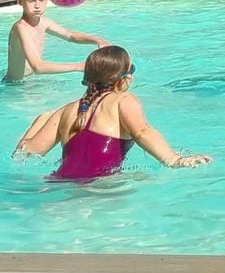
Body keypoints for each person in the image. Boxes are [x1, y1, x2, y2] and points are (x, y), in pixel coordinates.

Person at [15, 45, 210, 180]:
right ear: (123, 78)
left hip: (56, 183)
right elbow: (142, 132)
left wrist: (41, 120)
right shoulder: (122, 100)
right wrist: (174, 159)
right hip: (100, 188)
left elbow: (25, 153)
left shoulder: (65, 110)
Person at [4, 0, 109, 81]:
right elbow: (38, 67)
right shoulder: (21, 28)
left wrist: (97, 41)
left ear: (47, 0)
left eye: (41, 0)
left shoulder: (43, 22)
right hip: (13, 86)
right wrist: (78, 66)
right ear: (20, 2)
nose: (37, 5)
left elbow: (71, 36)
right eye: (31, 1)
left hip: (29, 81)